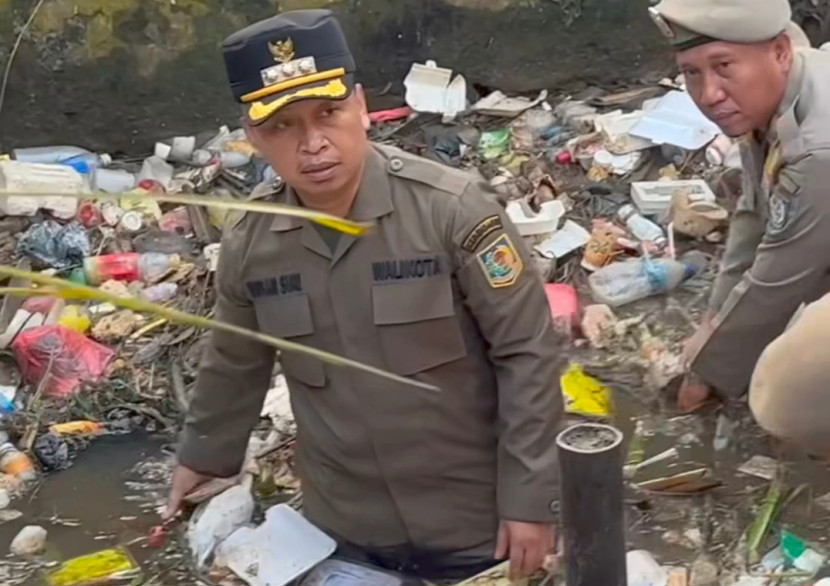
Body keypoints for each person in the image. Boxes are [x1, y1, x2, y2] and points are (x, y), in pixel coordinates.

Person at [163, 9, 565, 584]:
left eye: (327, 114)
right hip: (345, 534)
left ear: (360, 106)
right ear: (253, 138)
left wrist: (532, 500)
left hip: (476, 524)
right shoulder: (252, 243)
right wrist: (202, 459)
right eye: (283, 126)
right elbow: (234, 365)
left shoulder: (450, 211)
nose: (313, 144)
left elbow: (527, 355)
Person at [648, 0, 830, 414]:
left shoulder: (819, 148)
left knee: (785, 400)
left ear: (780, 52)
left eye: (724, 66)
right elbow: (753, 218)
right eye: (692, 73)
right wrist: (714, 323)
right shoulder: (775, 92)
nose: (709, 95)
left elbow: (776, 281)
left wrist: (706, 374)